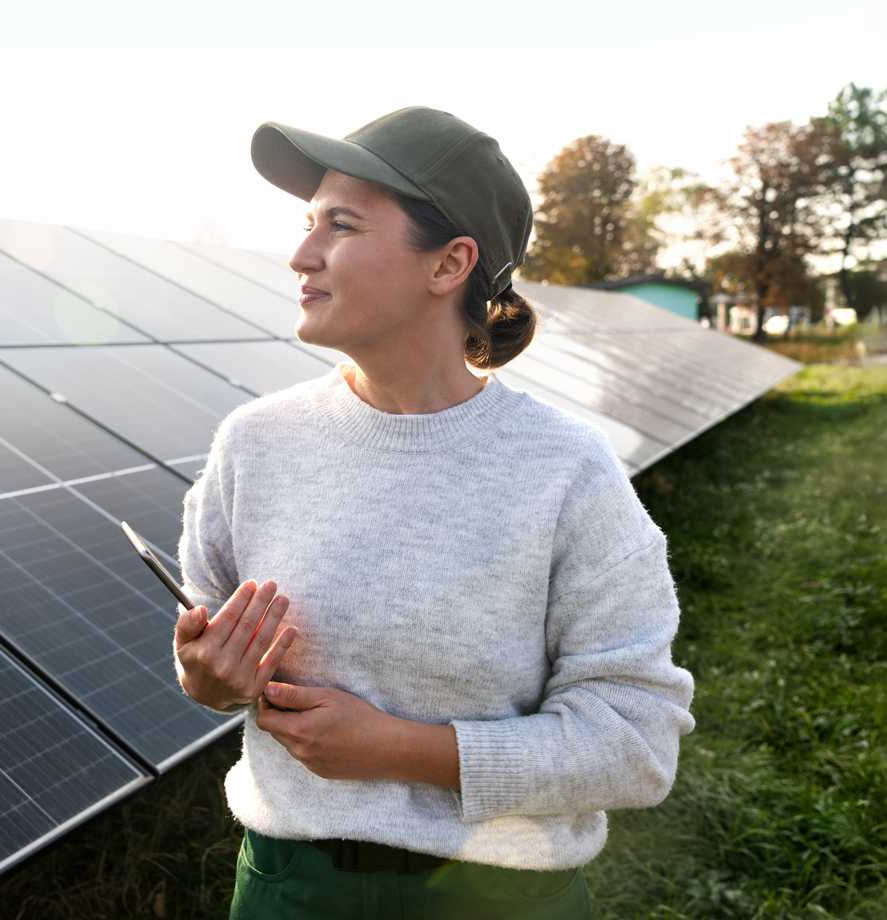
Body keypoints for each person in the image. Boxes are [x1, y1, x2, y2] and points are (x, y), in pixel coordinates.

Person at [172, 106, 696, 918]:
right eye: (308, 223)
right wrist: (207, 679)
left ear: (449, 263)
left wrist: (404, 751)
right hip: (290, 892)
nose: (300, 254)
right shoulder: (255, 445)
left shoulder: (565, 471)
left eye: (340, 225)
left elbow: (634, 745)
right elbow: (212, 659)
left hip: (504, 898)